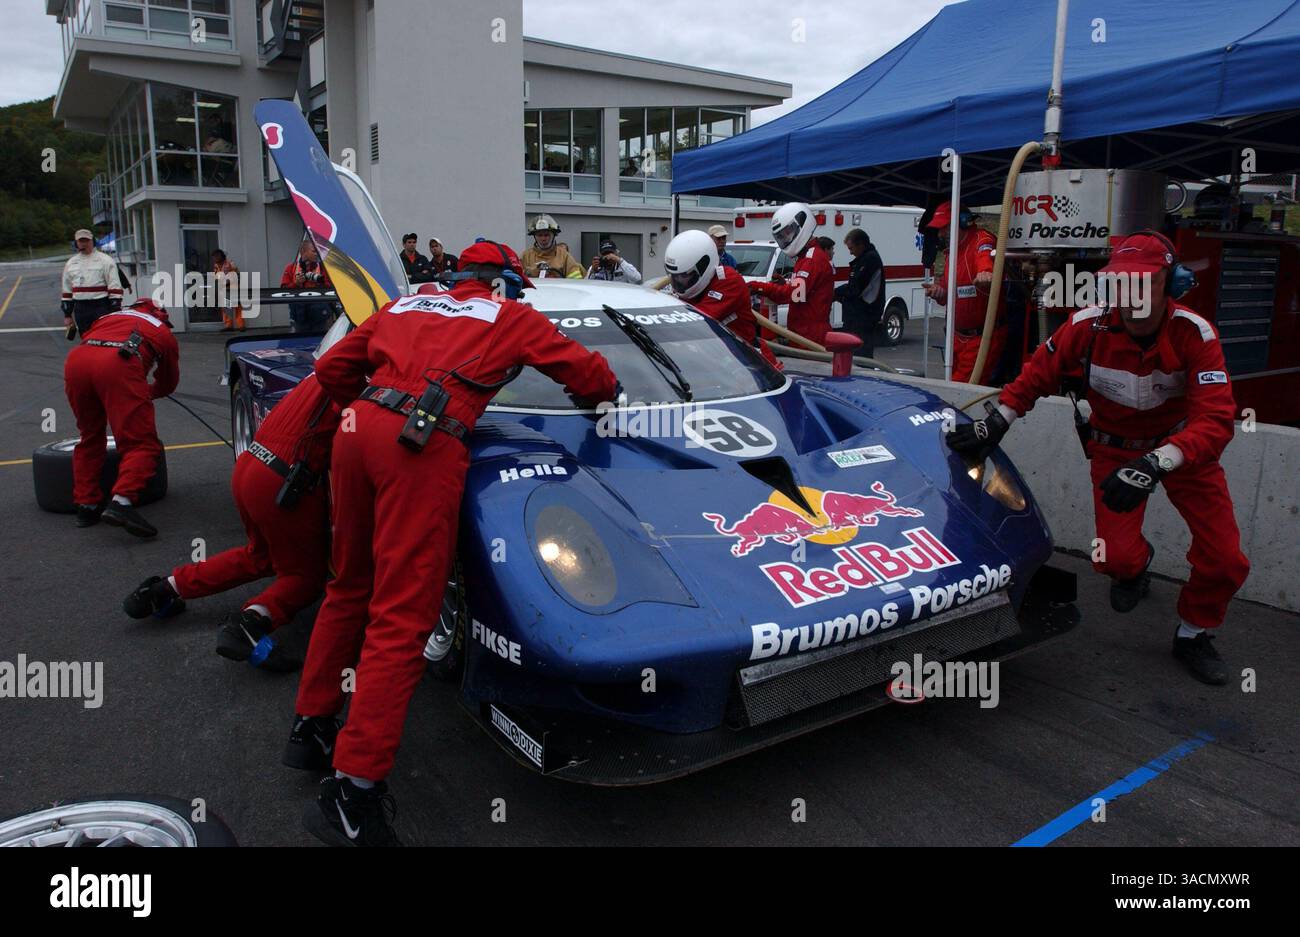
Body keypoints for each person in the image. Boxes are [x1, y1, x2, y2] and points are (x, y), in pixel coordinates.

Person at [286, 241, 619, 846]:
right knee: (401, 619)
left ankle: (310, 726)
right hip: (422, 443)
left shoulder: (409, 303)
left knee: (348, 586)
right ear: (504, 283)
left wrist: (370, 414)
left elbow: (333, 369)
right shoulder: (510, 315)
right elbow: (586, 373)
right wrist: (605, 398)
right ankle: (352, 794)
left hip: (357, 430)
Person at [945, 231, 1248, 686]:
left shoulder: (1195, 334)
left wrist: (1156, 463)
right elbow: (1035, 376)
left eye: (1145, 283)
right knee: (1114, 560)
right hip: (1113, 450)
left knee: (1226, 559)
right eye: (1124, 283)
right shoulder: (1087, 326)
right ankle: (1136, 568)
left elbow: (1217, 419)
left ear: (1170, 283)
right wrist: (997, 422)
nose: (1133, 295)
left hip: (1183, 452)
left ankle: (1194, 634)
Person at [123, 372, 340, 672]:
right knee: (304, 577)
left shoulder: (322, 372)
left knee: (261, 556)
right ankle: (250, 623)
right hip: (284, 481)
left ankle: (164, 589)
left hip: (252, 466)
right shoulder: (365, 378)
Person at [63, 298, 179, 538]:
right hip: (118, 364)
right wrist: (145, 392)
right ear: (160, 315)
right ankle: (122, 502)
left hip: (77, 361)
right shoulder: (162, 331)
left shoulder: (107, 318)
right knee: (142, 443)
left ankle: (86, 506)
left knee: (90, 437)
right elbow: (168, 383)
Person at [665, 229, 780, 369]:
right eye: (675, 277)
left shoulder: (729, 282)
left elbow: (694, 321)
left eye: (685, 276)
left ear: (703, 267)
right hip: (719, 357)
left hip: (749, 361)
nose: (680, 282)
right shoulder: (696, 286)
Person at [922, 202, 1003, 383]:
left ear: (964, 222)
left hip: (980, 338)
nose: (940, 233)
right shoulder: (952, 253)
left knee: (961, 392)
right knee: (955, 388)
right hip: (957, 338)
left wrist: (986, 272)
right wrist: (938, 292)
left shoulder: (981, 240)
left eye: (944, 227)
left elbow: (985, 258)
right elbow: (947, 293)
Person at [748, 202, 835, 345]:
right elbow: (802, 291)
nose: (785, 238)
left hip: (809, 336)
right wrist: (785, 283)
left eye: (788, 233)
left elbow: (795, 294)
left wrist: (759, 287)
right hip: (803, 333)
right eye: (781, 236)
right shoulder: (807, 256)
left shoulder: (811, 259)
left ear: (801, 225)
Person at [61, 229, 123, 338]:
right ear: (76, 243)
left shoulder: (106, 260)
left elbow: (115, 286)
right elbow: (67, 291)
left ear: (93, 241)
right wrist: (67, 315)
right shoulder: (70, 263)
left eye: (86, 240)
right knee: (85, 338)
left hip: (101, 306)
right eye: (81, 241)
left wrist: (115, 310)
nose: (84, 243)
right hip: (80, 308)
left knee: (105, 337)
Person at [835, 228, 886, 357]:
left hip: (864, 316)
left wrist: (836, 294)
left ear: (861, 245)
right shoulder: (864, 259)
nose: (851, 253)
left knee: (860, 353)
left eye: (851, 249)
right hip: (859, 315)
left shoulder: (869, 260)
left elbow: (855, 288)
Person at [280, 238, 335, 333]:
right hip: (299, 318)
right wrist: (296, 284)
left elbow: (332, 289)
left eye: (318, 251)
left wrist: (318, 283)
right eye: (314, 251)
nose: (316, 254)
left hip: (321, 318)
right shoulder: (291, 268)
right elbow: (282, 292)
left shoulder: (323, 268)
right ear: (303, 252)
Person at [520, 214, 585, 278]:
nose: (543, 239)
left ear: (554, 235)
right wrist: (530, 273)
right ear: (534, 236)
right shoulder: (526, 256)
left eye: (546, 235)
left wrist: (556, 277)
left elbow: (575, 279)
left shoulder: (564, 256)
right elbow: (516, 278)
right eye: (540, 235)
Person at [212, 249, 244, 332]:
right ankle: (228, 325)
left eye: (217, 256)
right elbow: (216, 277)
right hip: (224, 289)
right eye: (214, 257)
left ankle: (241, 325)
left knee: (237, 307)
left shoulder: (230, 263)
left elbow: (237, 275)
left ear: (222, 256)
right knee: (226, 307)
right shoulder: (216, 266)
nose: (215, 258)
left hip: (234, 288)